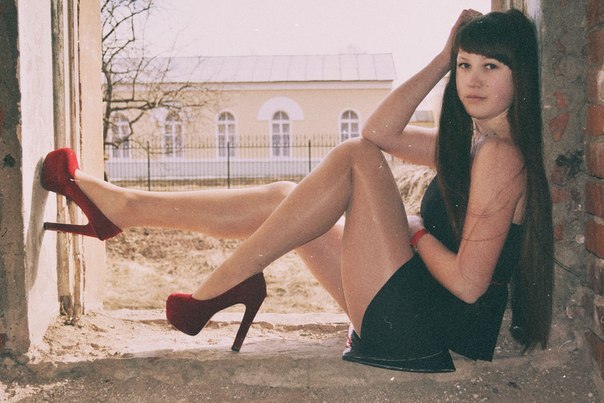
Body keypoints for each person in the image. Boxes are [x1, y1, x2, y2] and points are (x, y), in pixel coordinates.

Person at [40, 8, 553, 372]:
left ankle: (218, 287)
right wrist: (442, 57)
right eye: (465, 66)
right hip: (411, 310)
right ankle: (125, 208)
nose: (472, 80)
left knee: (356, 157)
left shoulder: (502, 157)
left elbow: (468, 285)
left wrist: (413, 232)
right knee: (286, 196)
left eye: (491, 67)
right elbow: (381, 129)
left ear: (520, 75)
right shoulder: (473, 145)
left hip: (423, 329)